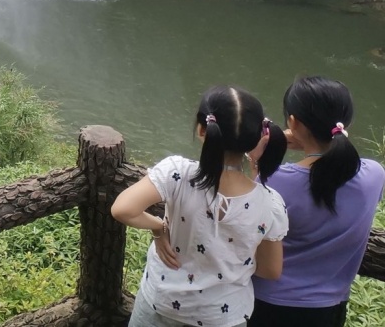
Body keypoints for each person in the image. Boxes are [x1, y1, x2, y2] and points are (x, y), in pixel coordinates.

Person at [112, 85, 288, 327]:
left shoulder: (177, 173)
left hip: (162, 303)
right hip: (222, 316)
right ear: (257, 138)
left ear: (202, 129)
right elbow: (270, 270)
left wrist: (158, 228)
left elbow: (122, 209)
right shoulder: (270, 203)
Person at [250, 76, 385, 327]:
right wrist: (308, 140)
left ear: (293, 122)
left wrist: (255, 161)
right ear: (347, 122)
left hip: (268, 306)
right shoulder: (374, 176)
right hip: (330, 310)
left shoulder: (276, 182)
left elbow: (245, 220)